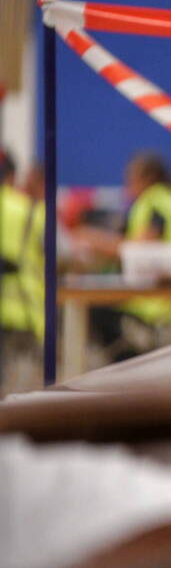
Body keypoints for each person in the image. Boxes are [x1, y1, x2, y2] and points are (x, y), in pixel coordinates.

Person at [74, 151, 171, 360]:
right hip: (157, 296)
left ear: (148, 177)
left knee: (94, 313)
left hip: (156, 302)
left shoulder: (156, 201)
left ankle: (134, 364)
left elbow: (138, 248)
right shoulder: (163, 200)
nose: (127, 183)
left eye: (131, 177)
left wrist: (93, 239)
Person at [0, 148, 44, 393]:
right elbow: (61, 255)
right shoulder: (30, 210)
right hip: (22, 308)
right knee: (22, 391)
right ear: (12, 176)